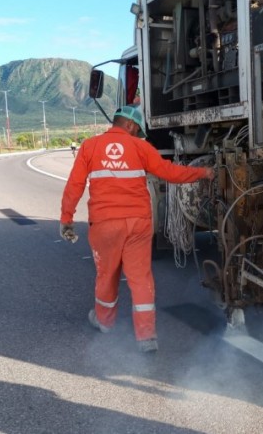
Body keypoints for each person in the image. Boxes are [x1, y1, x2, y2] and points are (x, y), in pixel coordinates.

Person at [59, 105, 214, 352]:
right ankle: (146, 337)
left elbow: (74, 185)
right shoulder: (140, 147)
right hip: (138, 224)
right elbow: (169, 172)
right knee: (140, 278)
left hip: (104, 223)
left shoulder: (89, 146)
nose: (137, 134)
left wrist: (66, 218)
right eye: (137, 130)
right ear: (130, 125)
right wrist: (203, 172)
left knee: (106, 274)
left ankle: (105, 322)